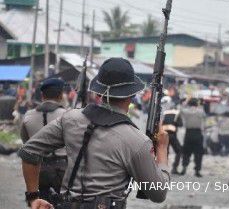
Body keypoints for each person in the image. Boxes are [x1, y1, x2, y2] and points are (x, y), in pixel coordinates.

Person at [18, 58, 169, 209]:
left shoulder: (70, 118)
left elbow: (28, 151)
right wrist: (162, 148)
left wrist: (33, 196)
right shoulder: (137, 141)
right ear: (132, 94)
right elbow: (158, 194)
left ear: (99, 93)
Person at [20, 78, 67, 205]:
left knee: (39, 204)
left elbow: (27, 146)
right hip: (63, 170)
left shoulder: (28, 116)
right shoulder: (68, 115)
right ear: (61, 95)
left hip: (38, 170)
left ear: (42, 95)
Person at [180, 98, 206, 177]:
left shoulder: (185, 111)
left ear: (189, 104)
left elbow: (181, 110)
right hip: (198, 133)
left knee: (186, 152)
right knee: (198, 153)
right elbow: (204, 117)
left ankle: (184, 167)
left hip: (188, 133)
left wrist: (184, 104)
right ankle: (197, 170)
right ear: (196, 104)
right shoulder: (201, 111)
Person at [161, 96, 183, 174]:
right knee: (179, 151)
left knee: (165, 152)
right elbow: (180, 124)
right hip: (172, 135)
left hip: (164, 135)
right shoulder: (177, 113)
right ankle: (174, 168)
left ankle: (163, 169)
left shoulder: (165, 113)